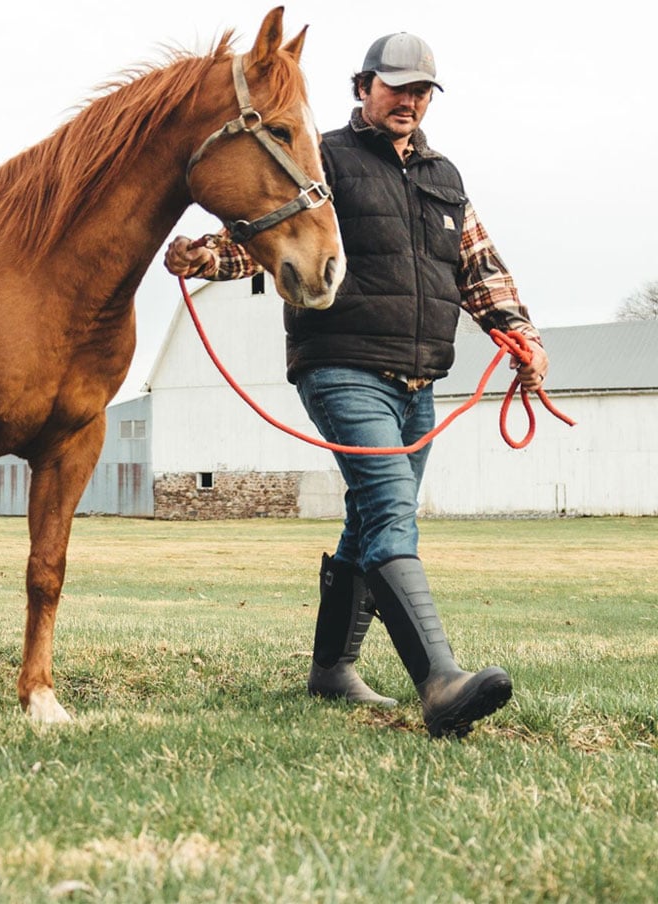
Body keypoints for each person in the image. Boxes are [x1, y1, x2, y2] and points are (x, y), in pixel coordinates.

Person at [164, 32, 549, 739]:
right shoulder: (329, 159)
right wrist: (205, 256)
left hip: (420, 377)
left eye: (423, 89)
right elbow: (269, 226)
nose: (411, 100)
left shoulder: (445, 177)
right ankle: (439, 681)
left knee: (367, 521)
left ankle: (331, 670)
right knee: (389, 507)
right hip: (340, 363)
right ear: (364, 86)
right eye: (397, 85)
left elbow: (479, 265)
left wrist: (518, 332)